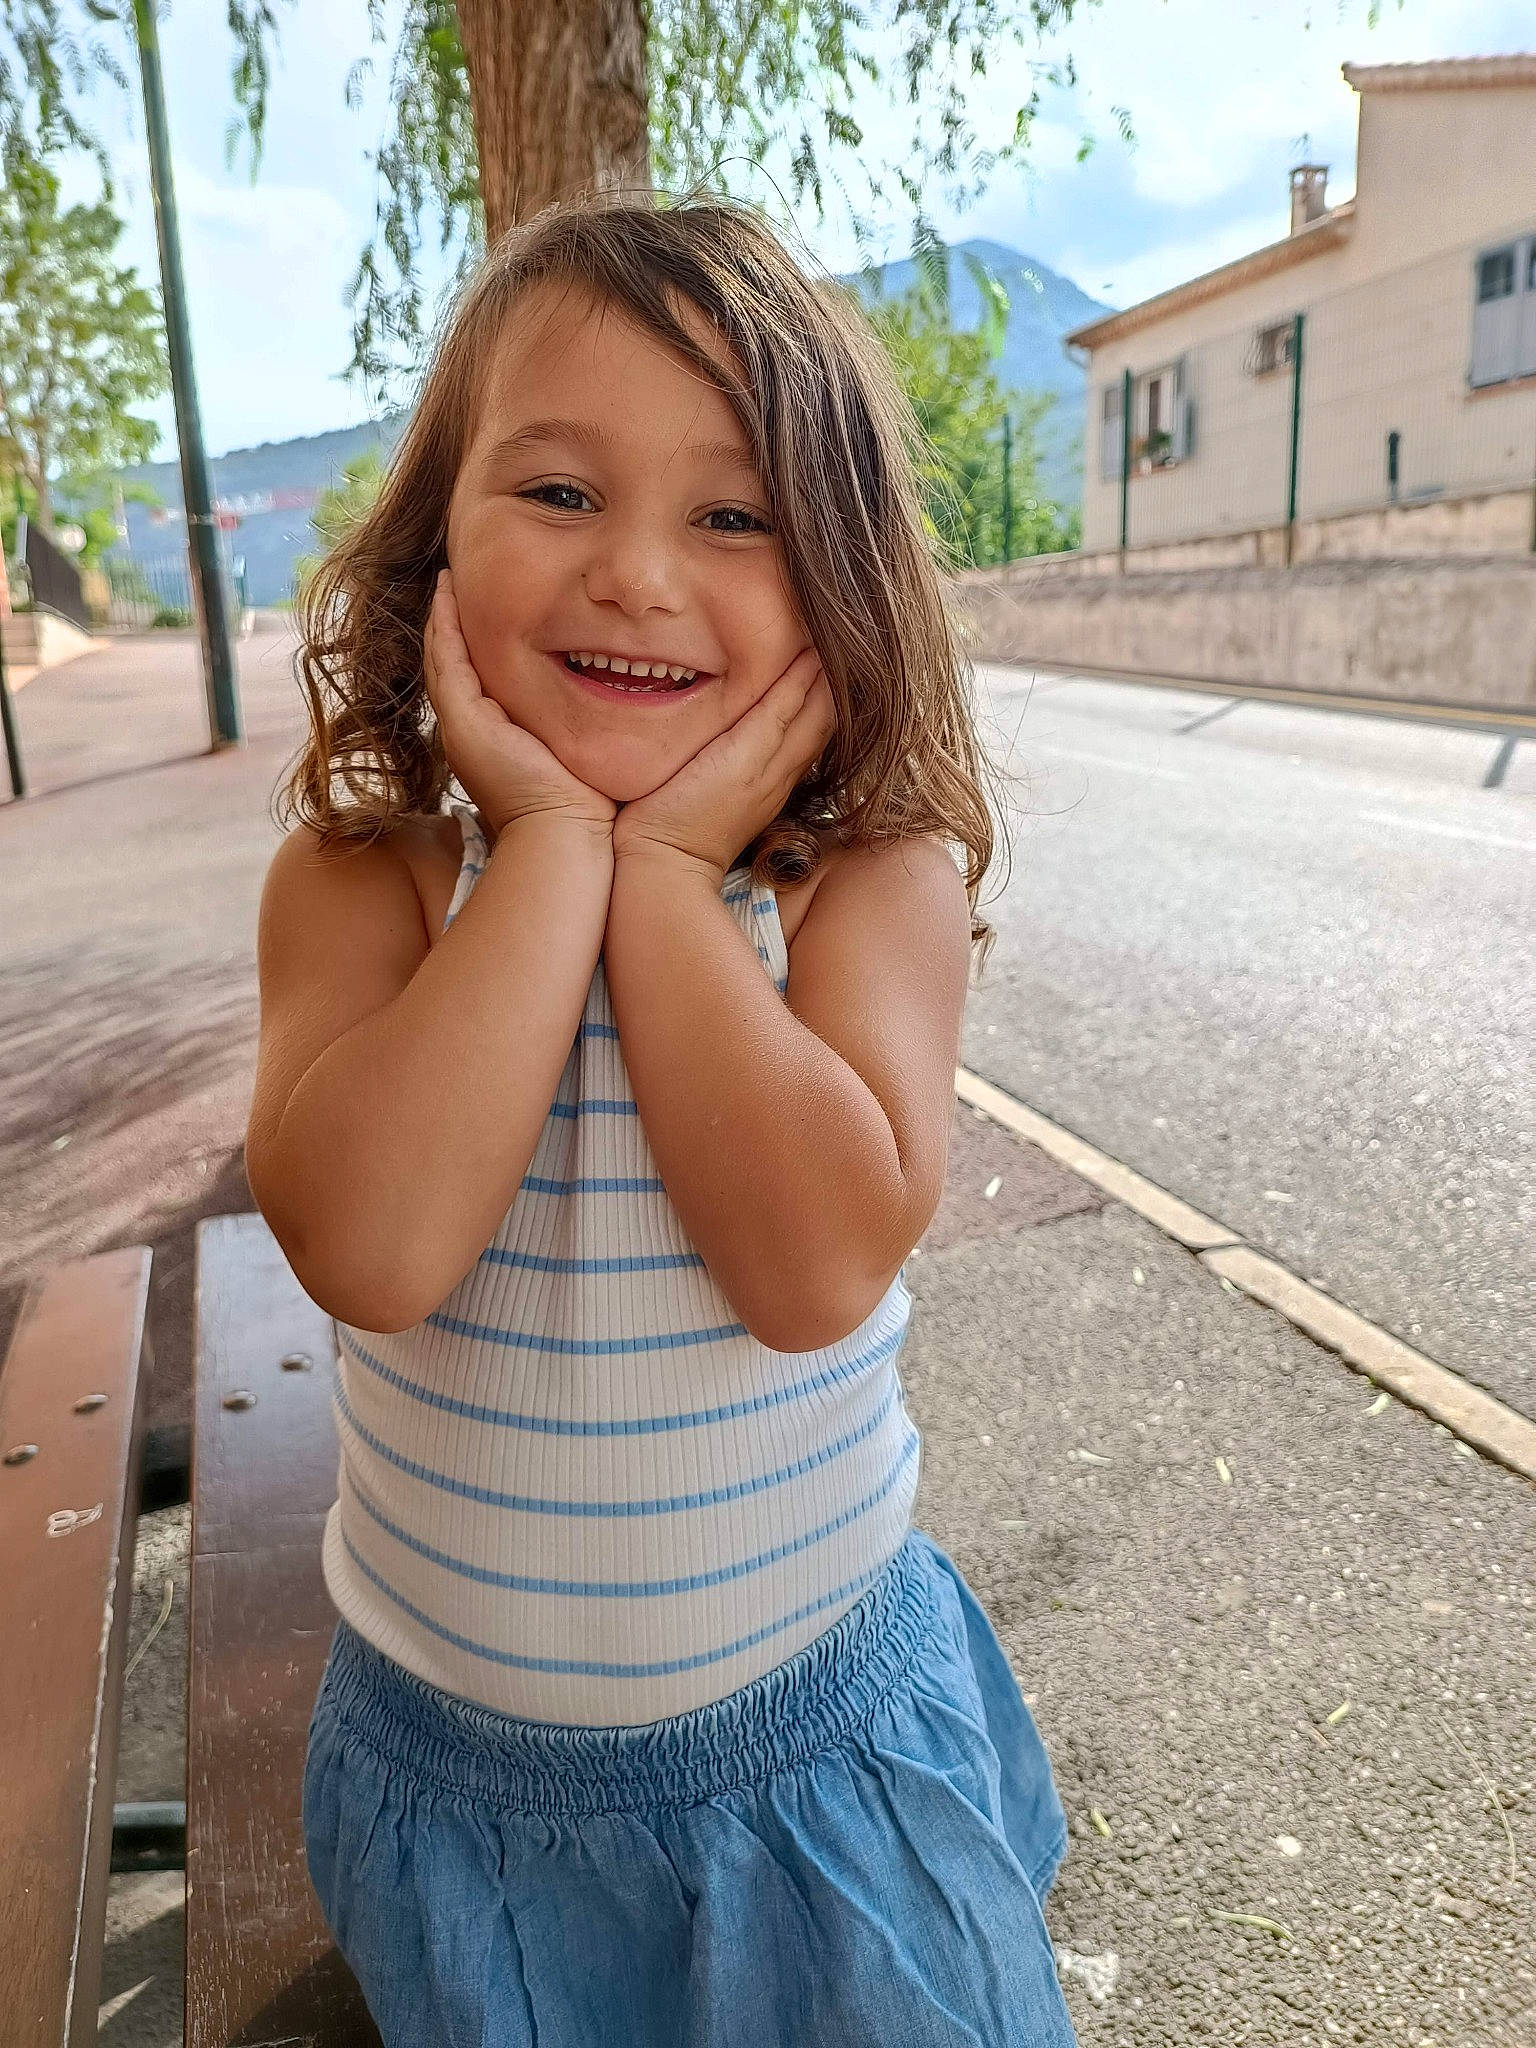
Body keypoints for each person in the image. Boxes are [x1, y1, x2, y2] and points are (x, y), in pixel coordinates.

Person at [245, 190, 1078, 2048]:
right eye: (555, 493)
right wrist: (548, 844)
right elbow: (370, 1246)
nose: (635, 572)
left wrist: (677, 873)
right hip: (457, 1794)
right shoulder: (369, 882)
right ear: (433, 543)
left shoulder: (870, 886)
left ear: (846, 581)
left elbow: (808, 1267)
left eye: (734, 515)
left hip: (814, 1773)